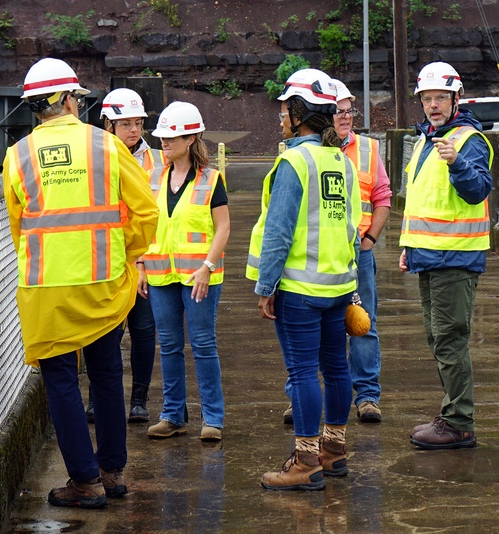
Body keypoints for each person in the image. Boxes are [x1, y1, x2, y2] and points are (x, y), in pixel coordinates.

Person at [2, 57, 158, 508]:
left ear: (35, 107)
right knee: (107, 374)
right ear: (70, 100)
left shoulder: (18, 155)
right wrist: (125, 253)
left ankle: (84, 483)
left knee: (62, 382)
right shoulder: (107, 147)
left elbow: (19, 228)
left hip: (45, 287)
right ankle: (111, 473)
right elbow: (146, 210)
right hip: (103, 282)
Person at [248, 68, 362, 491]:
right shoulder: (340, 161)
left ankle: (306, 461)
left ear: (299, 113)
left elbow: (278, 232)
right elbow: (350, 226)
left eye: (284, 109)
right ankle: (334, 452)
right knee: (335, 369)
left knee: (301, 375)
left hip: (299, 290)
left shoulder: (294, 161)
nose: (280, 117)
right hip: (336, 285)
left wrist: (265, 287)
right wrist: (351, 285)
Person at [281, 78, 392, 425]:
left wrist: (369, 240)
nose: (344, 118)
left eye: (348, 112)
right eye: (338, 112)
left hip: (356, 253)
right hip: (317, 254)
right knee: (317, 333)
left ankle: (368, 395)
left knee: (361, 323)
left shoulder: (368, 150)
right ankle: (299, 395)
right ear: (327, 114)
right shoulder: (299, 151)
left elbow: (382, 197)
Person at [401, 62, 493, 450]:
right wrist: (409, 248)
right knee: (439, 339)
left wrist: (456, 162)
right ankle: (453, 415)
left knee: (450, 340)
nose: (433, 105)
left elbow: (478, 190)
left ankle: (459, 422)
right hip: (430, 255)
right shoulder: (426, 139)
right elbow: (422, 200)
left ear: (456, 98)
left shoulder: (467, 140)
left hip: (455, 258)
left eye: (440, 97)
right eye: (427, 98)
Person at [142, 101, 230, 442]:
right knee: (168, 345)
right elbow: (143, 226)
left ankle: (213, 418)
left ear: (191, 139)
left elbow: (223, 228)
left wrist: (207, 266)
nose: (164, 144)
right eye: (162, 138)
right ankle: (172, 415)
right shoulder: (152, 179)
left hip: (199, 276)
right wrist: (139, 266)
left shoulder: (211, 180)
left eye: (171, 139)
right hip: (161, 275)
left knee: (204, 344)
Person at [78, 87, 165, 424]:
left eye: (137, 123)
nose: (133, 130)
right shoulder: (94, 157)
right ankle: (97, 400)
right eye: (125, 123)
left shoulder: (157, 159)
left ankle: (139, 401)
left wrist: (143, 258)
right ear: (108, 124)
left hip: (146, 256)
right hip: (109, 258)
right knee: (104, 332)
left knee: (144, 330)